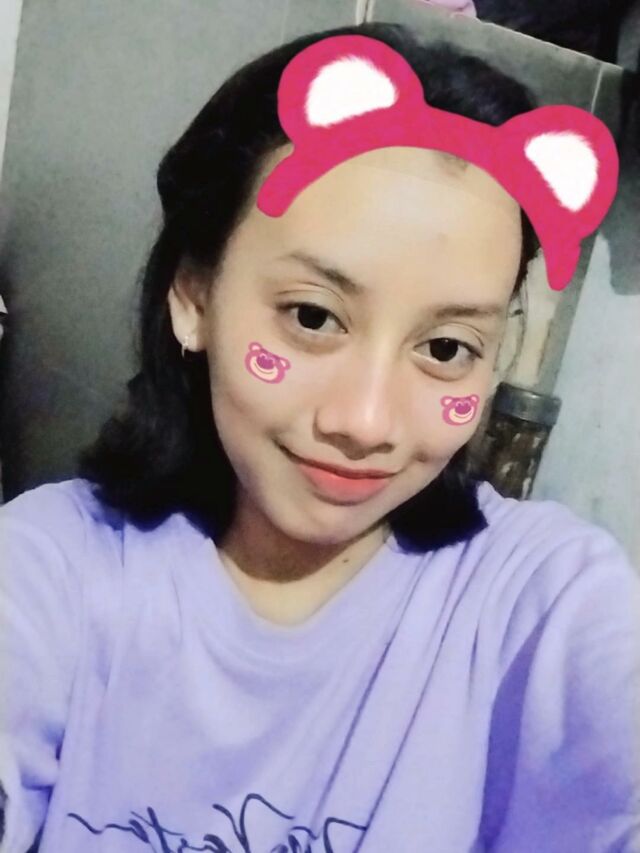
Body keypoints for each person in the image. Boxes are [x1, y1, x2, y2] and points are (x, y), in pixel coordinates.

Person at [0, 20, 639, 853]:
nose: (365, 422)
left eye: (447, 349)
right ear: (194, 296)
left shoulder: (542, 602)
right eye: (311, 317)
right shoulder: (51, 571)